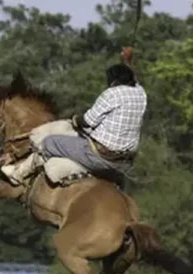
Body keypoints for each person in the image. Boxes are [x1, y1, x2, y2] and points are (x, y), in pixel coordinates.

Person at [40, 48, 147, 188]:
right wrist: (127, 60)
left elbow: (88, 121)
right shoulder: (140, 94)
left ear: (113, 81)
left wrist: (75, 119)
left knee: (50, 142)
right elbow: (134, 78)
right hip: (124, 162)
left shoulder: (112, 93)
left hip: (100, 156)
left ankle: (61, 183)